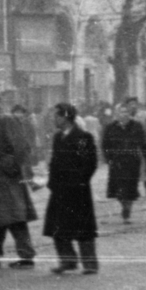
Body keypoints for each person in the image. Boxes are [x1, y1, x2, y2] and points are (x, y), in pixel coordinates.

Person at [0, 90, 37, 268]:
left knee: (15, 217)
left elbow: (22, 147)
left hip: (6, 177)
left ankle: (26, 255)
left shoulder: (5, 119)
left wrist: (8, 167)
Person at [43, 103, 100, 274]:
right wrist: (52, 183)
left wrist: (79, 181)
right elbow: (54, 163)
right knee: (57, 227)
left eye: (56, 116)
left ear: (65, 117)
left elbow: (90, 164)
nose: (54, 119)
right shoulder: (57, 137)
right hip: (59, 190)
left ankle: (90, 264)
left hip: (78, 191)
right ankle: (67, 260)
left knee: (83, 230)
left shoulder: (83, 137)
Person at [101, 104, 146, 223]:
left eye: (126, 112)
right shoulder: (110, 127)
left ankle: (127, 210)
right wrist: (108, 159)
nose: (124, 115)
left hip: (132, 162)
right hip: (117, 162)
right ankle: (124, 205)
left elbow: (143, 144)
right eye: (121, 112)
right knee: (119, 189)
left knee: (130, 188)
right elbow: (105, 145)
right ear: (116, 114)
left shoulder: (136, 126)